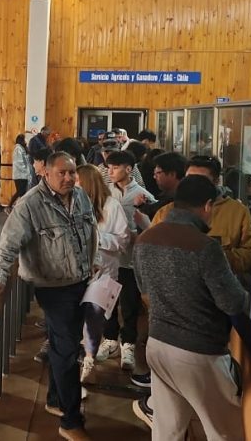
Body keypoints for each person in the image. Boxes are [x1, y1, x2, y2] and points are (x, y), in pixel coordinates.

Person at [0, 151, 96, 441]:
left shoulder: (81, 196)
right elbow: (7, 245)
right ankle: (71, 421)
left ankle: (56, 400)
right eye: (62, 172)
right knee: (68, 349)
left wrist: (91, 263)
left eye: (72, 172)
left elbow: (89, 232)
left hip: (82, 281)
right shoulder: (30, 205)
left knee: (67, 346)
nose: (69, 178)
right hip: (53, 288)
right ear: (45, 173)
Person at [133, 176, 249, 441]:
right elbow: (232, 302)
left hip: (158, 345)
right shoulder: (206, 247)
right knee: (224, 432)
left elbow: (146, 294)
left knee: (167, 429)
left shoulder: (145, 239)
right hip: (200, 353)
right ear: (208, 206)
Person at [151, 155, 251, 275]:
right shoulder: (166, 212)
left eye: (201, 180)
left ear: (216, 182)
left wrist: (218, 259)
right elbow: (151, 251)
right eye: (189, 178)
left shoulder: (237, 212)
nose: (194, 184)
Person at [100, 150, 155, 371]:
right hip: (108, 259)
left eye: (114, 167)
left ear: (129, 169)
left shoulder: (143, 195)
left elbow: (153, 228)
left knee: (130, 306)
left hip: (131, 261)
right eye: (108, 168)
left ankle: (128, 345)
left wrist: (137, 235)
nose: (110, 172)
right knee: (107, 303)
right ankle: (110, 339)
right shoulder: (105, 194)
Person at [75, 165, 130, 385]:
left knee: (94, 320)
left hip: (105, 273)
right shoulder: (72, 204)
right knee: (79, 321)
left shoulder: (112, 206)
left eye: (77, 180)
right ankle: (82, 366)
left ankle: (87, 363)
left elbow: (123, 241)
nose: (73, 184)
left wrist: (96, 237)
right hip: (78, 274)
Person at [139, 151, 187, 220]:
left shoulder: (177, 201)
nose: (154, 177)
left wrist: (141, 206)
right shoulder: (168, 195)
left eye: (158, 173)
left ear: (172, 174)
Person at [10, 134, 30, 208]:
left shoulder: (23, 148)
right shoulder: (18, 148)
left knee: (22, 192)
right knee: (20, 192)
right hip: (20, 175)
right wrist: (26, 171)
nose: (26, 141)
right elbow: (19, 162)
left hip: (24, 175)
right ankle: (10, 205)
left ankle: (20, 207)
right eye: (25, 139)